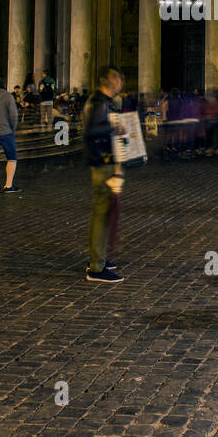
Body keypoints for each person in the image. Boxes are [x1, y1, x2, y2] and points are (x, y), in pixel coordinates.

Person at [84, 65, 125, 284]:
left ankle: (99, 258)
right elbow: (92, 131)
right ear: (104, 80)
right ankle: (96, 268)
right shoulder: (99, 102)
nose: (120, 82)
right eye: (116, 77)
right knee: (102, 214)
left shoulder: (105, 102)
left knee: (107, 212)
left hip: (107, 161)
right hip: (102, 163)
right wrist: (114, 128)